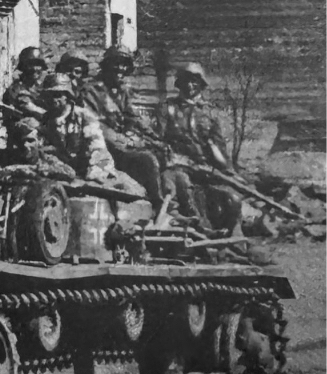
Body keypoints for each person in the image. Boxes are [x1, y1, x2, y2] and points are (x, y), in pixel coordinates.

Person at [158, 62, 242, 233]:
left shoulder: (209, 113)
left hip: (206, 169)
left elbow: (220, 149)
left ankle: (235, 242)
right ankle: (203, 231)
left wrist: (228, 172)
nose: (190, 85)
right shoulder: (167, 108)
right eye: (186, 81)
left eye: (195, 81)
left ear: (201, 84)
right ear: (179, 83)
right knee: (183, 186)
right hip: (178, 166)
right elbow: (158, 140)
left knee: (232, 198)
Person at [82, 46, 166, 208]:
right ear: (106, 66)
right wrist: (128, 141)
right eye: (116, 64)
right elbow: (94, 124)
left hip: (120, 146)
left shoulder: (121, 92)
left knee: (159, 153)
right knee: (148, 160)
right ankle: (156, 205)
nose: (120, 69)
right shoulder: (92, 90)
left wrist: (156, 139)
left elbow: (133, 118)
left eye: (124, 64)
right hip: (102, 148)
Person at [38, 74, 142, 194]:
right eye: (49, 96)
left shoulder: (83, 116)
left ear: (67, 96)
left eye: (57, 95)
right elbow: (42, 149)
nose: (52, 100)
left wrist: (94, 171)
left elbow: (96, 146)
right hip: (65, 170)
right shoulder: (45, 120)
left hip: (95, 165)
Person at [2, 47, 48, 119]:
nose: (34, 68)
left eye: (38, 64)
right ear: (23, 66)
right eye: (31, 64)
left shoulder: (43, 88)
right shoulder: (16, 89)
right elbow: (29, 108)